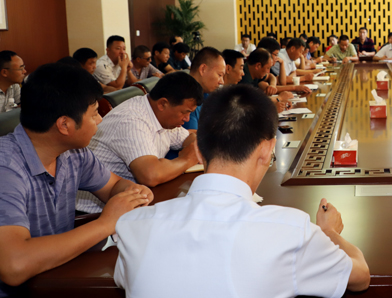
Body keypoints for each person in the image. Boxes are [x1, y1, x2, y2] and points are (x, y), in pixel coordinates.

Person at [114, 84, 370, 296]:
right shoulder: (293, 232)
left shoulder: (134, 226)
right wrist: (328, 232)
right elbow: (360, 276)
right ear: (267, 150)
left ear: (199, 152)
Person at [0, 64, 152, 296]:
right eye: (94, 113)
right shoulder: (6, 168)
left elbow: (114, 185)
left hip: (59, 276)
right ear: (64, 125)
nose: (100, 120)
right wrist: (105, 223)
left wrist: (134, 193)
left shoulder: (73, 152)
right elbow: (13, 265)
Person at [75, 72, 202, 214]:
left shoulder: (161, 116)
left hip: (132, 200)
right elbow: (151, 175)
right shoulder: (132, 120)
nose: (187, 119)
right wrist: (187, 159)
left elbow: (188, 138)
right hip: (95, 213)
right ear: (163, 104)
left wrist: (193, 148)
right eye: (185, 112)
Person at [182, 47, 226, 130]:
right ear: (203, 69)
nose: (222, 82)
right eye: (220, 75)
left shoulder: (205, 94)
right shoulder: (186, 98)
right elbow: (192, 135)